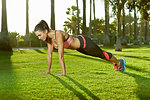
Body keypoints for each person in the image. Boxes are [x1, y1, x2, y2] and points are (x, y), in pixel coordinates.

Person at [34, 20, 126, 76]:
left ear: (45, 31)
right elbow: (49, 55)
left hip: (84, 43)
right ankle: (116, 63)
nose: (39, 38)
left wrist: (63, 73)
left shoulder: (57, 34)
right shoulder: (48, 39)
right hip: (80, 48)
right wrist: (48, 71)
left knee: (101, 54)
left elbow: (61, 56)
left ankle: (119, 62)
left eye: (39, 35)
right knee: (100, 55)